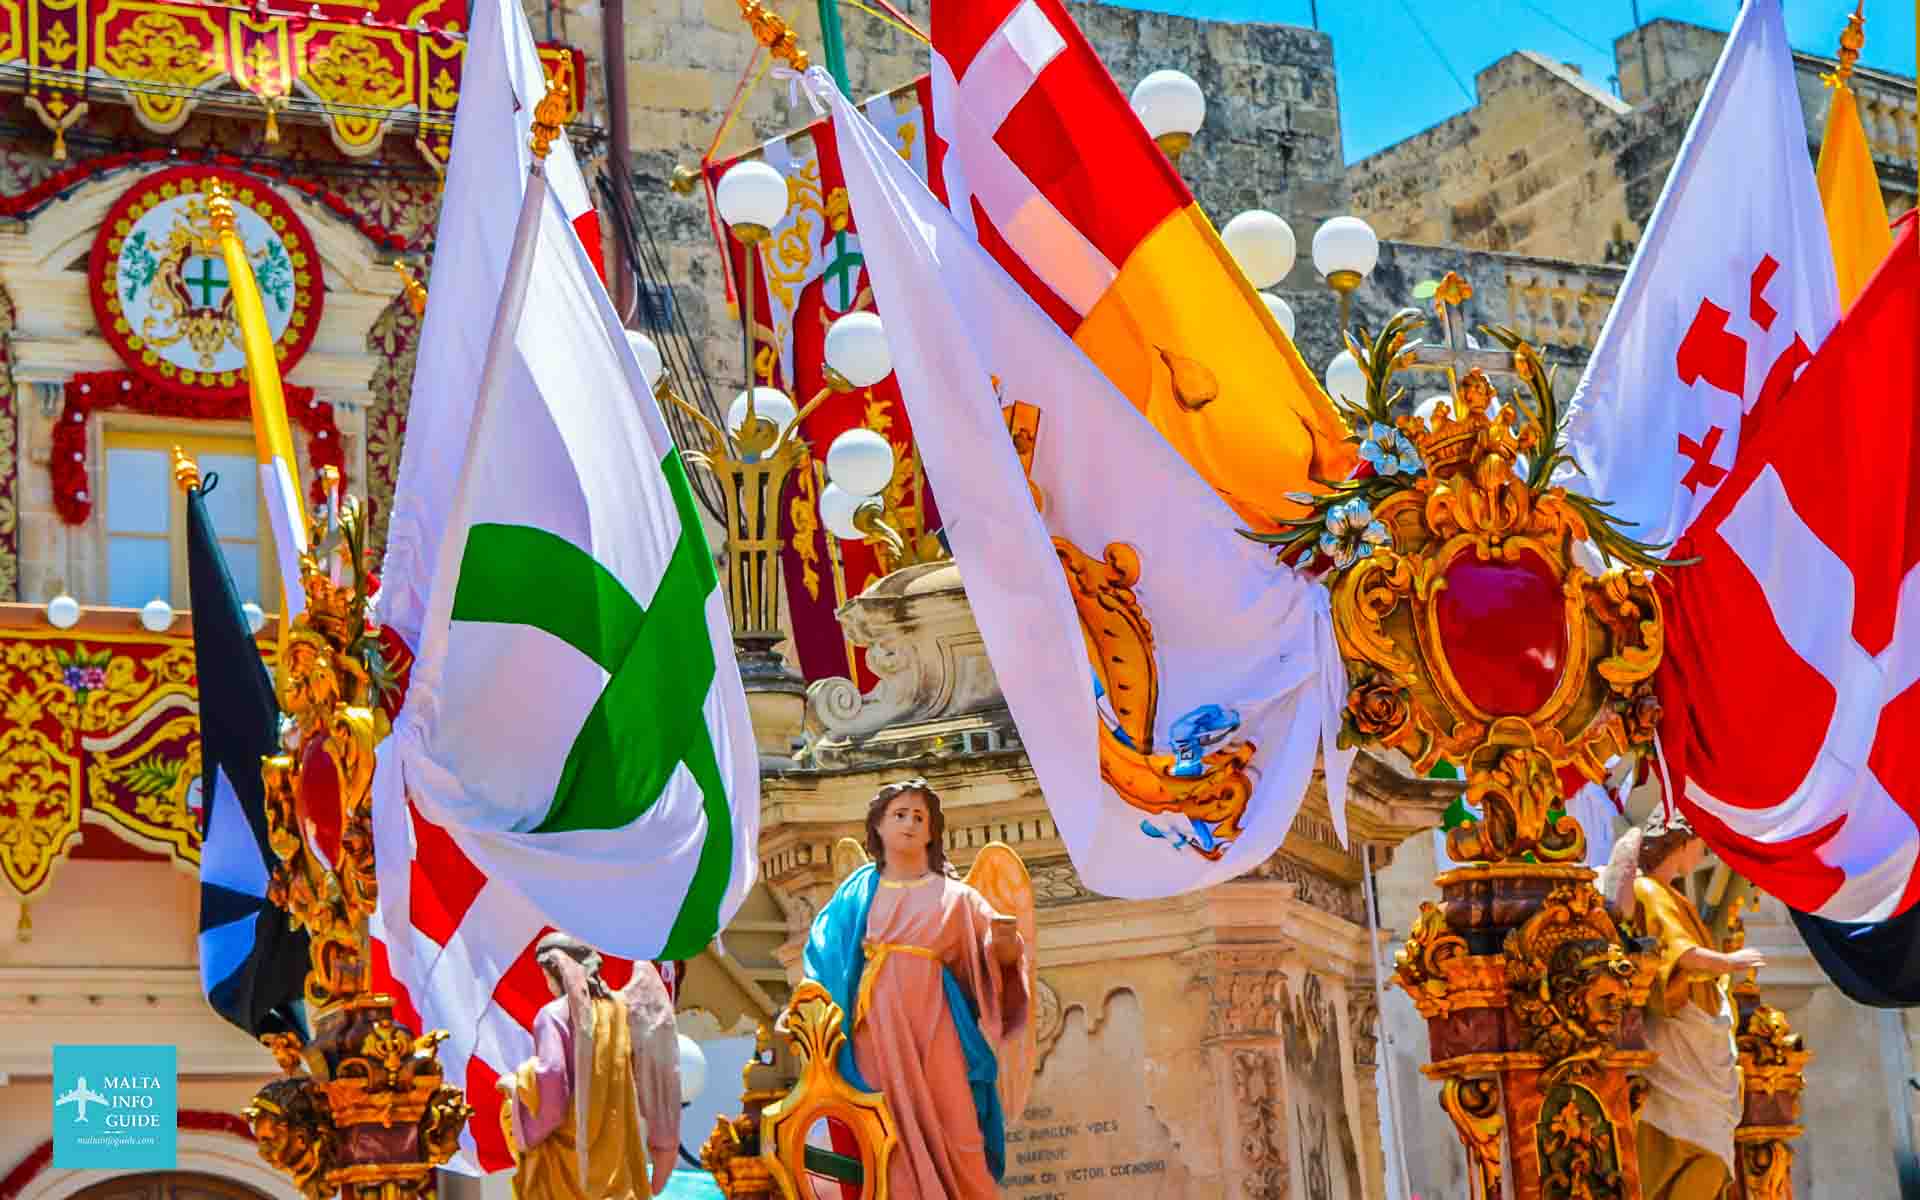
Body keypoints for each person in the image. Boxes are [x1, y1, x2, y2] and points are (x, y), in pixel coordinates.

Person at [804, 779, 1030, 1200]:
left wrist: (1003, 948)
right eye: (900, 814)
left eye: (919, 817)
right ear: (879, 827)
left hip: (935, 1026)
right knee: (883, 1123)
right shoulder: (858, 891)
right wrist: (810, 1001)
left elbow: (993, 952)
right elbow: (825, 950)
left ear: (931, 832)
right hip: (875, 1029)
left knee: (956, 1124)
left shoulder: (957, 897)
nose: (909, 824)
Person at [1606, 809, 1765, 1200]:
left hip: (1696, 1033)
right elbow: (1678, 953)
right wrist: (1730, 962)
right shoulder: (1650, 892)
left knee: (1710, 1149)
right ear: (1680, 842)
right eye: (1699, 844)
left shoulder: (1671, 895)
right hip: (1679, 1037)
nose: (1701, 854)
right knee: (1698, 1148)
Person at [501, 933, 682, 1199]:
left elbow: (552, 1089)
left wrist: (518, 1087)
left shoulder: (553, 1015)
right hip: (617, 1157)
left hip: (568, 1166)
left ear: (555, 971)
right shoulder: (621, 1008)